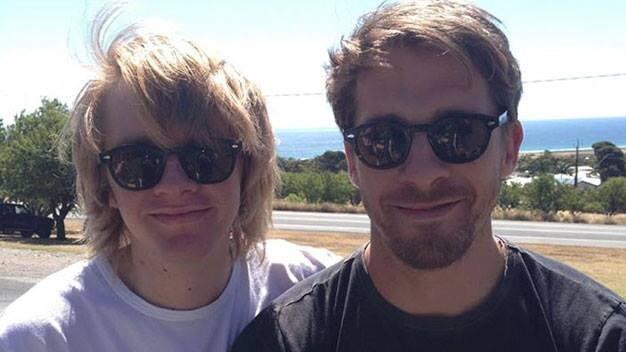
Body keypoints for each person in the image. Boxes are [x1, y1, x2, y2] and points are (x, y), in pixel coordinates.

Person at [231, 1, 626, 351]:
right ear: (352, 160)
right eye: (383, 140)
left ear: (509, 149)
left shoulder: (597, 337)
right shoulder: (284, 341)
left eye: (459, 133)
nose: (422, 174)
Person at [0, 8, 338, 352]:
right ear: (105, 185)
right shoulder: (37, 339)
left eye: (206, 156)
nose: (174, 186)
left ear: (247, 168)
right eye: (137, 163)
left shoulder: (321, 294)